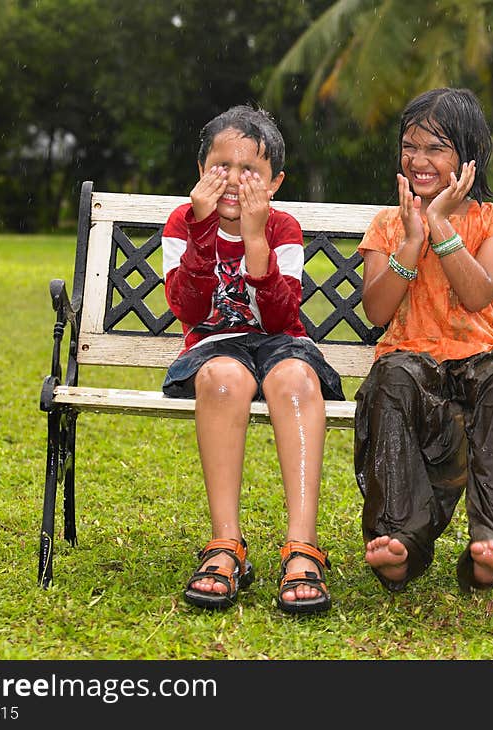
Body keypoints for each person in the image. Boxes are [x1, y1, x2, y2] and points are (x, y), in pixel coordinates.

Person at [353, 87, 493, 595]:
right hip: (409, 359)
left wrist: (439, 223)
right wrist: (412, 240)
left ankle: (492, 544)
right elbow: (377, 312)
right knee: (390, 381)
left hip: (480, 359)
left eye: (435, 148)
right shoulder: (387, 222)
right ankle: (400, 539)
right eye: (409, 146)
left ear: (467, 157)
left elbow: (478, 292)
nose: (419, 161)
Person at [161, 104, 343, 614]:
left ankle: (302, 546)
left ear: (275, 182)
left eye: (252, 172)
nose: (236, 182)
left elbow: (280, 317)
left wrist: (257, 238)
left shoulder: (282, 227)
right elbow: (189, 309)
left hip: (278, 341)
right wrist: (200, 230)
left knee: (297, 380)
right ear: (202, 172)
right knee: (222, 379)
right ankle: (225, 544)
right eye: (223, 168)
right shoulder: (182, 223)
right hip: (213, 345)